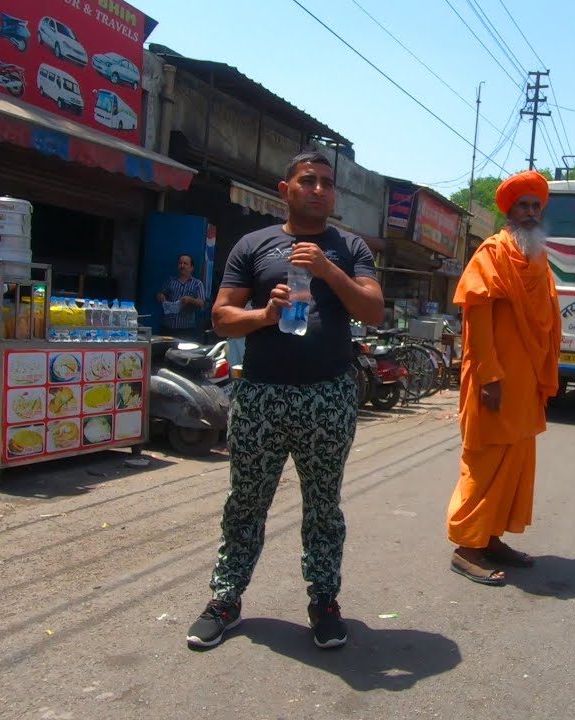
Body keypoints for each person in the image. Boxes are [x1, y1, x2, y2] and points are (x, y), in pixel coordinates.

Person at [187, 152, 383, 650]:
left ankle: (324, 602)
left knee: (323, 506)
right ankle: (226, 598)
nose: (319, 189)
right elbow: (222, 318)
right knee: (246, 501)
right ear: (285, 189)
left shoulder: (351, 247)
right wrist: (265, 316)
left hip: (328, 395)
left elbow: (373, 310)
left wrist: (327, 270)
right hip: (261, 394)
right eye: (308, 180)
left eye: (327, 183)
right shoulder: (253, 245)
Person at [447, 169, 561, 586]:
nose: (531, 213)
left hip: (525, 384)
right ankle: (466, 546)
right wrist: (490, 376)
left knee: (513, 463)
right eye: (523, 206)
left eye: (536, 206)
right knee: (485, 461)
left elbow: (546, 321)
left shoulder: (540, 260)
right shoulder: (491, 253)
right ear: (510, 212)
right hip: (494, 381)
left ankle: (490, 537)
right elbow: (477, 321)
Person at [156, 254, 207, 340]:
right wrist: (161, 296)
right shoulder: (171, 281)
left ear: (191, 268)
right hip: (167, 328)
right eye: (180, 263)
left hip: (185, 329)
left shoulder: (197, 284)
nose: (182, 266)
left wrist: (190, 300)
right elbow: (160, 295)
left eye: (185, 263)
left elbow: (202, 303)